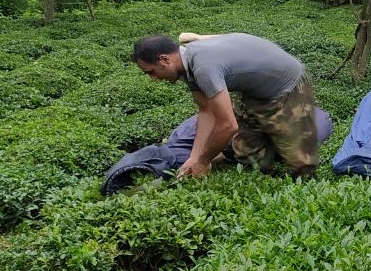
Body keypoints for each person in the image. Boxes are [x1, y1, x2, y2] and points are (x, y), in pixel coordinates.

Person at [131, 32, 319, 179]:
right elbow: (205, 111)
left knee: (301, 164)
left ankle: (302, 184)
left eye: (151, 72)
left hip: (287, 87)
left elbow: (227, 125)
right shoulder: (187, 62)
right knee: (248, 156)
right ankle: (264, 169)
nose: (153, 79)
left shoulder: (203, 68)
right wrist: (195, 158)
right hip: (254, 91)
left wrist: (204, 161)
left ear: (165, 60)